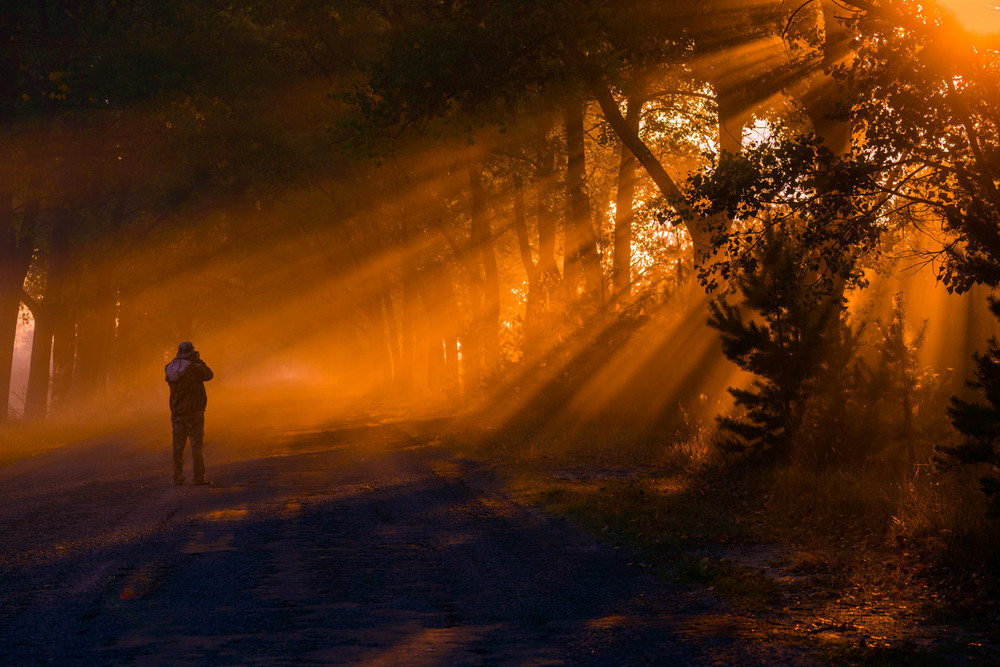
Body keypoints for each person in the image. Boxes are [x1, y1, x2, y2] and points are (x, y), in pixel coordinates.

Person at [165, 341, 214, 485]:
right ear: (191, 352)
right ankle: (199, 478)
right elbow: (209, 375)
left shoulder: (169, 367)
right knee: (196, 446)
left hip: (177, 412)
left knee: (178, 447)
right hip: (193, 412)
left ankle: (178, 478)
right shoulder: (194, 368)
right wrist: (198, 360)